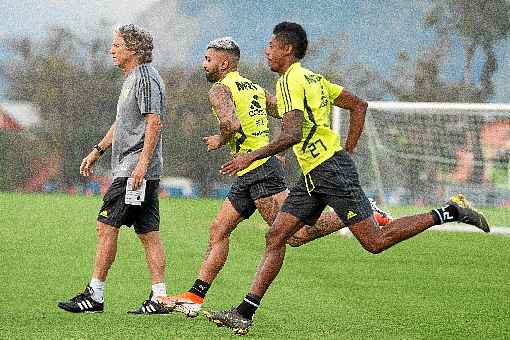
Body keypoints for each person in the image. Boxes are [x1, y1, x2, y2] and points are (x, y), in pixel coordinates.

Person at [205, 22, 490, 335]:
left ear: (287, 50)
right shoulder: (313, 78)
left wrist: (251, 155)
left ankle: (450, 211)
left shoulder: (291, 81)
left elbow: (292, 133)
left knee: (375, 242)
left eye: (271, 46)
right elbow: (358, 105)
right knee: (277, 236)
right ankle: (244, 313)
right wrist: (348, 152)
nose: (267, 52)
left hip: (329, 171)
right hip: (317, 172)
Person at [156, 37, 393, 317]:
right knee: (219, 229)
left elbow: (231, 123)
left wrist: (221, 138)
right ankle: (195, 296)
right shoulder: (254, 88)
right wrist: (280, 150)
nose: (204, 65)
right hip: (250, 172)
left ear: (224, 63)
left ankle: (363, 210)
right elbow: (287, 114)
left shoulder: (220, 90)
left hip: (259, 172)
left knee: (295, 236)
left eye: (208, 60)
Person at [58, 24, 171, 314]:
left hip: (134, 169)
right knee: (148, 233)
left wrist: (141, 167)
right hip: (134, 168)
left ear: (132, 50)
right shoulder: (132, 78)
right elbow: (123, 123)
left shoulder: (145, 78)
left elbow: (154, 122)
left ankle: (94, 295)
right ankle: (159, 297)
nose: (112, 50)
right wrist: (97, 150)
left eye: (117, 45)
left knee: (106, 226)